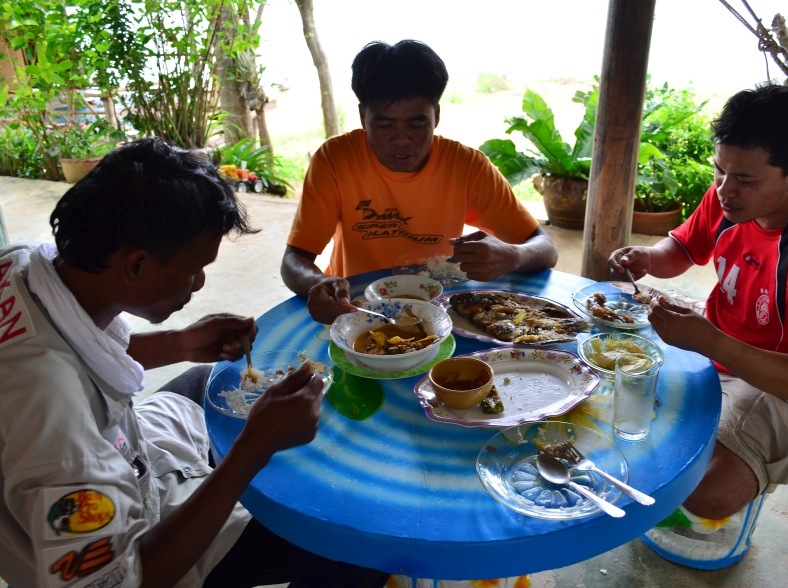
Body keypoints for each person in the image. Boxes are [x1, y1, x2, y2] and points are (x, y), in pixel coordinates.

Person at [0, 138, 389, 587]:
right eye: (193, 268)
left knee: (209, 381)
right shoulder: (58, 433)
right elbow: (124, 580)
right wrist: (252, 449)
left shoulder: (26, 267)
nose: (200, 282)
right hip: (141, 549)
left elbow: (78, 354)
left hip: (129, 457)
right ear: (136, 264)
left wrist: (179, 344)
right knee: (361, 542)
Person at [609, 83, 788, 569]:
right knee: (612, 405)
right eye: (719, 171)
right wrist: (648, 257)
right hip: (712, 342)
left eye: (743, 179)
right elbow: (683, 251)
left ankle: (707, 516)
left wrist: (711, 340)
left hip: (787, 381)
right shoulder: (733, 195)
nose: (723, 189)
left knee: (706, 494)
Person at [281, 39, 558, 324]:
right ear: (363, 116)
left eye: (416, 124)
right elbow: (294, 261)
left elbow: (545, 248)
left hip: (437, 312)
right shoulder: (336, 159)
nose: (401, 139)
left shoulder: (466, 166)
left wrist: (512, 255)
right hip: (358, 308)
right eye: (385, 125)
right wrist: (318, 283)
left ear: (436, 116)